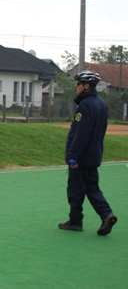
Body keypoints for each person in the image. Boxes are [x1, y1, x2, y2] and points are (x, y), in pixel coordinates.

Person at [59, 70, 118, 235]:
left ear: (86, 86)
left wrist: (73, 155)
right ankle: (106, 214)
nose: (76, 86)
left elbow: (81, 133)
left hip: (81, 156)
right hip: (94, 154)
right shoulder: (101, 104)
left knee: (75, 189)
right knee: (92, 188)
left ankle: (75, 221)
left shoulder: (85, 105)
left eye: (78, 83)